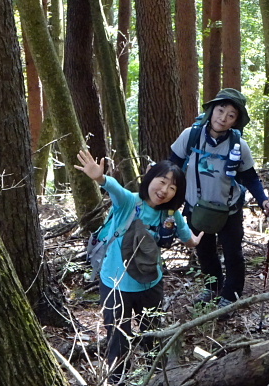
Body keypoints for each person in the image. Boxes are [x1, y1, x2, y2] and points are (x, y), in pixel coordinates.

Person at [75, 150, 203, 384]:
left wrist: (196, 240)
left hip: (150, 284)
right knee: (117, 339)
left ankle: (157, 377)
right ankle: (117, 380)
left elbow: (187, 237)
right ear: (149, 178)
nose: (164, 190)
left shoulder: (171, 214)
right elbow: (115, 189)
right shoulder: (129, 203)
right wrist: (100, 178)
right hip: (115, 284)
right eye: (162, 182)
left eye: (172, 188)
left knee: (151, 334)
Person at [169, 88, 269, 311]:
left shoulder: (239, 146)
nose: (223, 118)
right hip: (196, 207)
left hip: (229, 209)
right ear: (211, 110)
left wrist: (264, 201)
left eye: (231, 115)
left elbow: (250, 178)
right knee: (204, 249)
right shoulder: (190, 136)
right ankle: (213, 286)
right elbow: (171, 168)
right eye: (220, 110)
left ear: (236, 121)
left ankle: (232, 294)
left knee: (232, 252)